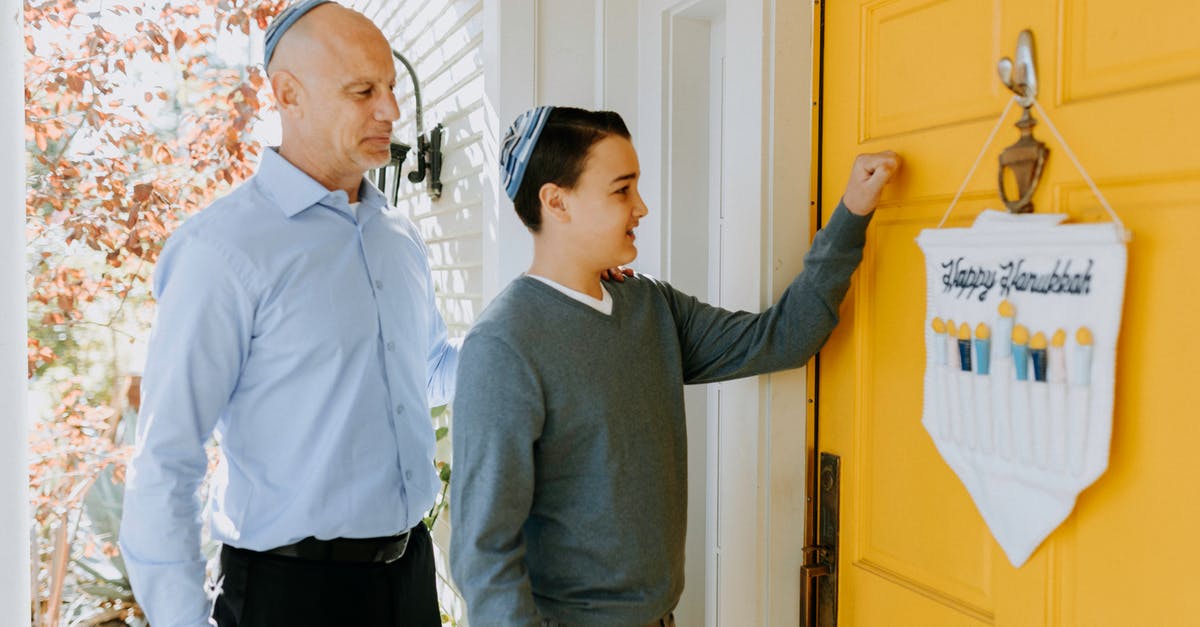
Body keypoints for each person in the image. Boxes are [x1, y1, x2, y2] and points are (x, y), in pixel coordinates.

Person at [449, 106, 901, 625]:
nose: (641, 207)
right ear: (557, 202)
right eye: (622, 190)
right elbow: (483, 553)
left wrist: (852, 212)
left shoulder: (649, 306)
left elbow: (783, 338)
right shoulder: (504, 345)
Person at [120, 2, 455, 625]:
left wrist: (545, 330)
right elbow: (167, 458)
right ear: (287, 94)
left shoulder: (398, 238)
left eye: (389, 87)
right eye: (363, 91)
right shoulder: (221, 251)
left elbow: (431, 367)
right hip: (291, 595)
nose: (390, 110)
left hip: (412, 581)